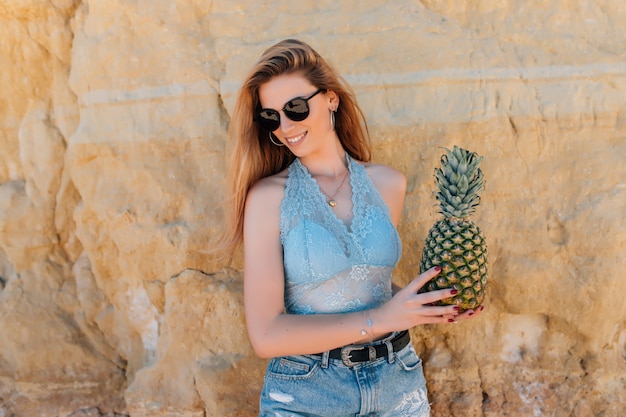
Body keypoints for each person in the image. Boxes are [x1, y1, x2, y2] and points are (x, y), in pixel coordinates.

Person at [219, 39, 483, 416]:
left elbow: (366, 279)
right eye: (271, 117)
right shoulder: (266, 199)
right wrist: (382, 319)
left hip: (398, 383)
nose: (286, 126)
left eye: (295, 108)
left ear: (331, 99)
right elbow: (265, 335)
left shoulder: (389, 184)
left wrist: (429, 301)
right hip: (308, 393)